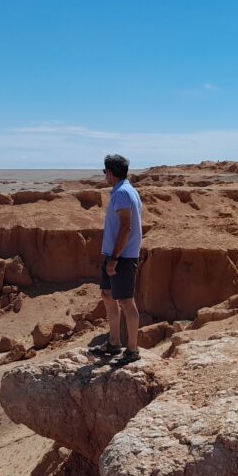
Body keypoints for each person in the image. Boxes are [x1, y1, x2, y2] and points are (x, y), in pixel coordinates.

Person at [89, 154, 144, 366]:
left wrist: (114, 258)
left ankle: (132, 350)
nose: (105, 175)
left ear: (110, 172)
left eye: (105, 172)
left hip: (122, 256)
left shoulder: (122, 193)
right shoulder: (126, 190)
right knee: (107, 295)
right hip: (115, 254)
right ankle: (113, 342)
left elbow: (126, 227)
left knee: (126, 302)